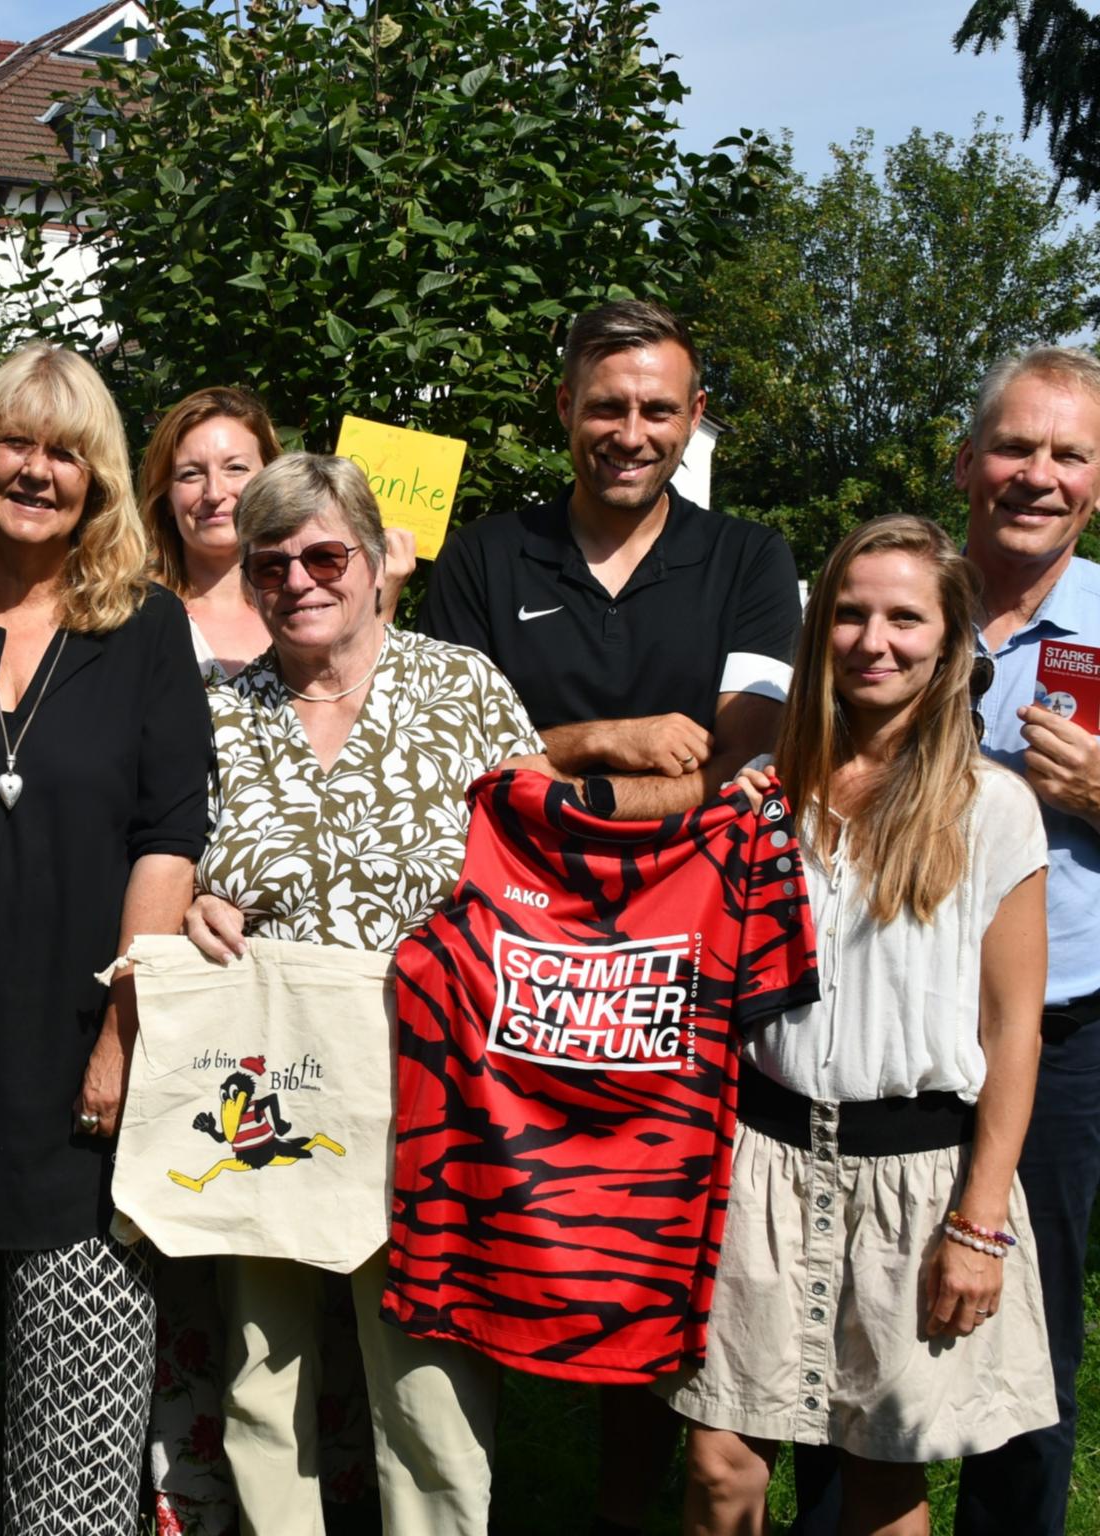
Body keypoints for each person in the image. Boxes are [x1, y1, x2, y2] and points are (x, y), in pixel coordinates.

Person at [416, 299, 802, 1534]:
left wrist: (548, 776)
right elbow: (442, 757)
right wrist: (608, 741)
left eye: (653, 409)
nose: (626, 432)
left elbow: (743, 763)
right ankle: (447, 1474)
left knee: (652, 1214)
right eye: (604, 405)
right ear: (563, 412)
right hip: (511, 948)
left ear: (691, 420)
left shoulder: (747, 557)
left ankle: (629, 1500)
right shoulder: (485, 558)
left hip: (684, 956)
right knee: (504, 1204)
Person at [0, 342, 210, 1535]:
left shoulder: (146, 632)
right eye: (15, 441)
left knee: (71, 1484)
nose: (36, 469)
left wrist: (121, 1035)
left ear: (101, 478)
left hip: (81, 1099)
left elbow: (168, 839)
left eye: (66, 452)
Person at [667, 514, 1054, 1536]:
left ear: (946, 639)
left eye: (900, 617)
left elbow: (1012, 1031)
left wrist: (977, 1223)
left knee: (881, 1481)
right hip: (757, 1168)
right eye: (846, 614)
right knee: (718, 1465)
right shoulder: (764, 799)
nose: (871, 640)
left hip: (915, 1180)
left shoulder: (991, 810)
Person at [182, 453, 542, 1536]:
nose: (297, 579)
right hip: (262, 1087)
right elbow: (155, 854)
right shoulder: (211, 708)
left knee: (425, 1387)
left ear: (378, 560)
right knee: (260, 1372)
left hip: (427, 1091)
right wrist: (188, 906)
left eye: (323, 554)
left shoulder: (462, 685)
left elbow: (535, 861)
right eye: (269, 563)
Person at [944, 348, 1100, 1535]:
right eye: (1014, 447)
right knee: (853, 1308)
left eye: (1068, 455)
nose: (1036, 475)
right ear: (963, 463)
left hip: (1056, 1035)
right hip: (886, 1021)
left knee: (1030, 1323)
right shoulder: (894, 597)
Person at [138, 385, 415, 684]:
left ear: (270, 478)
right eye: (191, 473)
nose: (214, 492)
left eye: (235, 467)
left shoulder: (310, 596)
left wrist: (381, 600)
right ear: (166, 495)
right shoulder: (139, 617)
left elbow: (362, 704)